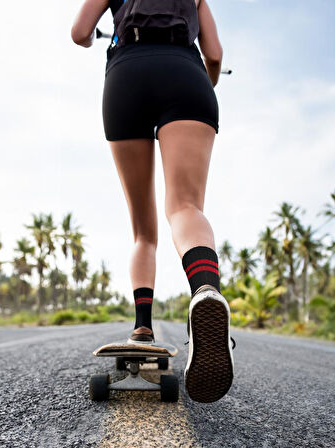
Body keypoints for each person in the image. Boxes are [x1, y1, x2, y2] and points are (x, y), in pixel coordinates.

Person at [72, 0, 234, 403]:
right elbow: (214, 54)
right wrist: (205, 79)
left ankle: (142, 326)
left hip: (127, 72)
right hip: (185, 72)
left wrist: (97, 37)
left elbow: (79, 33)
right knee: (185, 207)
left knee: (144, 232)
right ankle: (205, 290)